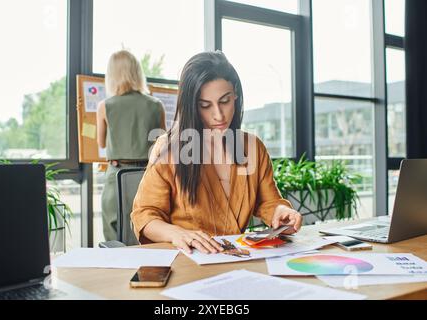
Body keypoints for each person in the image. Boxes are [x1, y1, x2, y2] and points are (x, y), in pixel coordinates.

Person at [131, 51, 302, 253]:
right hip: (188, 260)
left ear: (236, 96)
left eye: (224, 101)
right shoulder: (169, 148)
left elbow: (268, 201)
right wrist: (177, 233)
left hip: (236, 259)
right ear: (191, 106)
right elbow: (145, 215)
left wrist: (280, 211)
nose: (218, 115)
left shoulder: (252, 147)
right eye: (205, 105)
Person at [97, 49, 165, 241]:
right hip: (149, 175)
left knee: (113, 227)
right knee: (148, 225)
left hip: (116, 174)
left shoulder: (105, 106)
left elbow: (101, 142)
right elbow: (163, 143)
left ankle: (117, 268)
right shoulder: (156, 104)